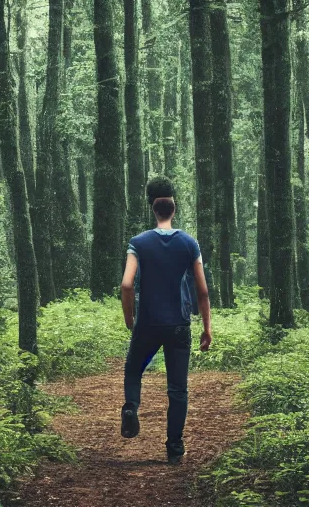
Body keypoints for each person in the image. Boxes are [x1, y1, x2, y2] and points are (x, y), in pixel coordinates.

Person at [120, 176, 213, 465]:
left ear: (153, 209)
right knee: (178, 389)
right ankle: (174, 447)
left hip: (147, 324)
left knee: (134, 370)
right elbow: (203, 291)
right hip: (178, 326)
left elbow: (126, 284)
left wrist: (130, 318)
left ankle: (132, 406)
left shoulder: (138, 243)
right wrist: (207, 328)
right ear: (173, 209)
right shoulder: (189, 243)